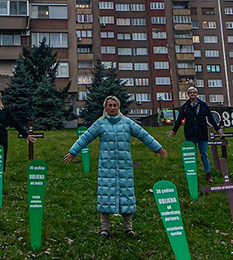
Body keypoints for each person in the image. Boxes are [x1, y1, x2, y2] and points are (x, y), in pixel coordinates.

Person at [63, 96, 168, 236]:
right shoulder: (100, 124)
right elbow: (85, 137)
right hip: (106, 166)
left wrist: (157, 148)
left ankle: (128, 228)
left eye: (114, 105)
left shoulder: (127, 123)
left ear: (118, 107)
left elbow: (143, 135)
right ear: (105, 107)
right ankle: (104, 229)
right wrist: (73, 152)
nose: (112, 108)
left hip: (125, 166)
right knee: (105, 195)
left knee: (127, 196)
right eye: (109, 105)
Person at [166, 86, 224, 183]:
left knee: (204, 154)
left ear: (197, 94)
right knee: (190, 155)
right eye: (191, 93)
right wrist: (174, 130)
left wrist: (217, 129)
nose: (192, 94)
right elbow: (179, 119)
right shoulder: (185, 107)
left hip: (202, 134)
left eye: (194, 92)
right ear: (188, 95)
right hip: (190, 134)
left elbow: (210, 117)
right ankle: (192, 175)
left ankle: (208, 174)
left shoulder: (203, 105)